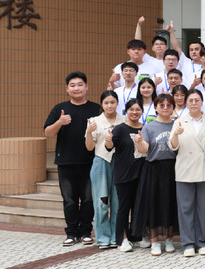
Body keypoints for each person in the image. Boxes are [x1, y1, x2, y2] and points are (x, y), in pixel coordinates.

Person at [44, 71, 102, 246]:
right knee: (69, 200)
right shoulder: (60, 109)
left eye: (80, 84)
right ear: (67, 89)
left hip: (90, 161)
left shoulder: (96, 109)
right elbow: (47, 133)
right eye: (72, 85)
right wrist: (59, 122)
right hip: (66, 161)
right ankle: (71, 232)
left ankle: (86, 232)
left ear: (86, 87)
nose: (76, 88)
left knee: (88, 199)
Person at [168, 89, 205, 257]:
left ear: (202, 102)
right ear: (186, 103)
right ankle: (188, 243)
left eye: (197, 100)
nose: (194, 103)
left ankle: (202, 242)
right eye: (191, 100)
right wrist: (176, 134)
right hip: (185, 169)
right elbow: (173, 146)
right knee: (186, 208)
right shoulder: (179, 122)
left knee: (204, 209)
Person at [135, 94, 179, 256]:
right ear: (156, 107)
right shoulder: (149, 127)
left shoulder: (177, 125)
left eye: (169, 105)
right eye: (162, 105)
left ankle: (169, 239)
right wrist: (139, 142)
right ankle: (154, 240)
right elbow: (144, 149)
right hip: (153, 169)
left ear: (173, 107)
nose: (165, 108)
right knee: (153, 205)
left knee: (171, 203)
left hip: (173, 168)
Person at [84, 90, 125, 249]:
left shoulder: (124, 120)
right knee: (102, 202)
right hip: (101, 162)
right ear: (102, 104)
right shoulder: (94, 121)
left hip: (120, 163)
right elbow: (89, 147)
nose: (109, 105)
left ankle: (116, 236)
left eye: (112, 102)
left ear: (117, 103)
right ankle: (102, 238)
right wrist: (89, 131)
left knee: (117, 202)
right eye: (106, 103)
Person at [105, 99, 145, 252]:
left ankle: (136, 237)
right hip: (124, 174)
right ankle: (122, 239)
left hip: (141, 174)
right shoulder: (120, 129)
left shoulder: (145, 128)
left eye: (137, 109)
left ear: (142, 111)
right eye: (131, 109)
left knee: (138, 207)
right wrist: (108, 141)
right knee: (123, 207)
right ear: (126, 111)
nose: (134, 112)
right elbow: (109, 147)